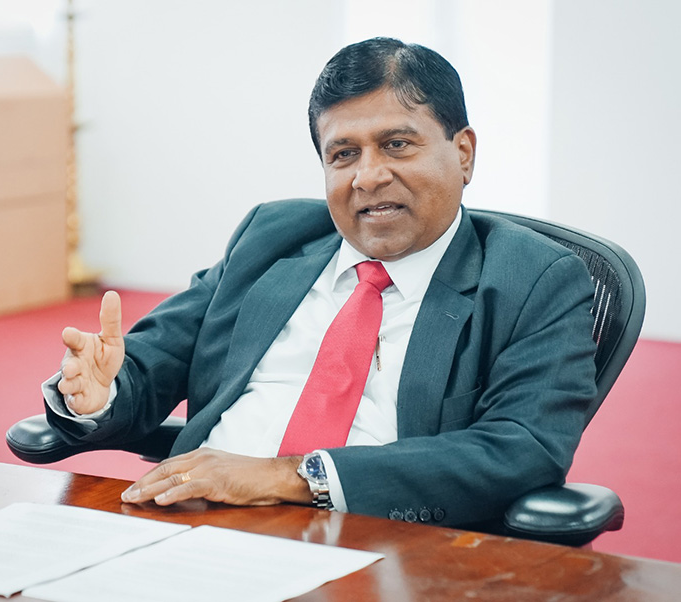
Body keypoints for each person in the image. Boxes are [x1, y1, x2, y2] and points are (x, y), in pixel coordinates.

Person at [44, 37, 597, 530]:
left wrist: (287, 477)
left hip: (374, 547)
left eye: (397, 144)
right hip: (190, 525)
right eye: (344, 154)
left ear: (463, 153)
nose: (368, 176)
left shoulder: (532, 278)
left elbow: (521, 447)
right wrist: (99, 393)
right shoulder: (270, 238)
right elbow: (147, 363)